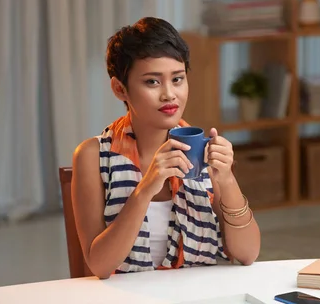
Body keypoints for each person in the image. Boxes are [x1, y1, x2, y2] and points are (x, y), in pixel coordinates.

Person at [71, 17, 260, 279]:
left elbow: (248, 253)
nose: (169, 94)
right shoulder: (94, 156)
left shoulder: (205, 151)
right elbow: (100, 266)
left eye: (178, 79)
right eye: (152, 82)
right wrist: (145, 189)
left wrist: (226, 180)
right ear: (119, 88)